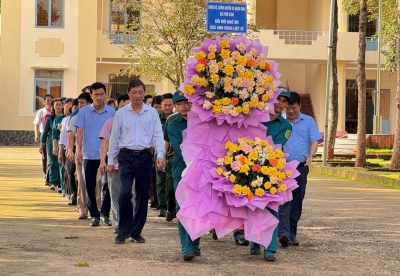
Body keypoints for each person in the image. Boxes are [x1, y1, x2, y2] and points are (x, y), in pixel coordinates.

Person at [109, 79, 165, 244]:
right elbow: (114, 138)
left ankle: (136, 231)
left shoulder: (151, 113)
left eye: (141, 92)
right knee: (125, 192)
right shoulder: (121, 113)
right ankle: (123, 228)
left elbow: (157, 135)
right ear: (129, 93)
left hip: (144, 157)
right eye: (134, 93)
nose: (138, 96)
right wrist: (110, 160)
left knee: (141, 194)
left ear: (144, 92)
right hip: (125, 156)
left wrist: (160, 155)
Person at [246, 86, 292, 262]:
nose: (280, 103)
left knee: (272, 209)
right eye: (278, 99)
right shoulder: (254, 118)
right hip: (248, 168)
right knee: (253, 207)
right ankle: (255, 242)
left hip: (272, 170)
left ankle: (270, 248)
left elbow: (273, 147)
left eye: (284, 101)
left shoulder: (286, 126)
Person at [278, 91, 322, 247]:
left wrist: (312, 154)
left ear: (299, 106)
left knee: (297, 200)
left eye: (294, 108)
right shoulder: (279, 122)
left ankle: (292, 233)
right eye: (288, 108)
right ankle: (283, 233)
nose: (291, 111)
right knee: (284, 199)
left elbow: (315, 140)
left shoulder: (308, 121)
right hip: (283, 166)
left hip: (302, 167)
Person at [75, 82, 115, 227]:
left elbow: (115, 134)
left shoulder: (112, 112)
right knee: (89, 185)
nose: (99, 97)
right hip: (89, 154)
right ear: (91, 95)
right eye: (96, 94)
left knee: (107, 185)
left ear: (106, 95)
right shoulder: (83, 112)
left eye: (101, 94)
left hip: (107, 155)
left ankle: (105, 214)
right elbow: (79, 133)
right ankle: (94, 215)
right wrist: (78, 151)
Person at [167, 91, 199, 261]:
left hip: (202, 173)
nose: (184, 106)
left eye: (187, 102)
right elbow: (181, 149)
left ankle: (195, 243)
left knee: (198, 209)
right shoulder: (173, 125)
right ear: (175, 107)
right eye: (179, 104)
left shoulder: (202, 122)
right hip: (182, 173)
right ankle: (186, 247)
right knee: (183, 210)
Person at [99, 93, 133, 234]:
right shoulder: (110, 122)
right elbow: (105, 143)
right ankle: (119, 223)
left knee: (133, 194)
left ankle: (131, 224)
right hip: (114, 165)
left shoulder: (137, 122)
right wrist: (103, 162)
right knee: (116, 195)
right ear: (117, 107)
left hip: (132, 164)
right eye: (122, 107)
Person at [66, 92, 94, 219]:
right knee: (82, 181)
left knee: (97, 181)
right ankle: (83, 208)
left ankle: (96, 209)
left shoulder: (97, 115)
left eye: (82, 103)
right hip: (81, 153)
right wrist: (71, 150)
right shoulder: (75, 115)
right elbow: (71, 134)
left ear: (89, 102)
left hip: (96, 153)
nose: (79, 105)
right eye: (79, 103)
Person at [156, 93, 174, 217]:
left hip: (172, 152)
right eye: (165, 105)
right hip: (159, 151)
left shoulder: (175, 118)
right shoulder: (156, 118)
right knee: (160, 180)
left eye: (170, 105)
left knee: (171, 181)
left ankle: (171, 206)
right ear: (161, 105)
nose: (167, 107)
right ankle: (162, 206)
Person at [40, 98, 64, 192]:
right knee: (53, 162)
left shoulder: (65, 118)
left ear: (62, 106)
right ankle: (53, 182)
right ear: (53, 107)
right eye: (56, 105)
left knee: (60, 163)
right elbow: (45, 132)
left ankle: (60, 182)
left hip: (62, 142)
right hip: (51, 142)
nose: (58, 106)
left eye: (60, 105)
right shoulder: (50, 118)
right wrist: (42, 144)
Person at [59, 98, 78, 205]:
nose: (76, 108)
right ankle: (73, 193)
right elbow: (63, 138)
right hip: (69, 148)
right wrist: (61, 151)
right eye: (74, 107)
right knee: (70, 171)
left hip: (81, 148)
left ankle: (79, 194)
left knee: (79, 174)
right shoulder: (66, 120)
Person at [33, 94, 53, 182]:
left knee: (52, 156)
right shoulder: (41, 112)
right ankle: (46, 173)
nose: (49, 102)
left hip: (53, 135)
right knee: (44, 156)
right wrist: (36, 135)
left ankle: (51, 174)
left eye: (50, 100)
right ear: (44, 102)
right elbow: (37, 124)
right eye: (47, 100)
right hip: (44, 135)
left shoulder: (55, 111)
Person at [163, 111, 179, 221]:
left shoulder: (196, 118)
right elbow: (166, 141)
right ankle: (170, 207)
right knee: (171, 187)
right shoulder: (171, 119)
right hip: (173, 158)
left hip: (192, 159)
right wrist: (163, 157)